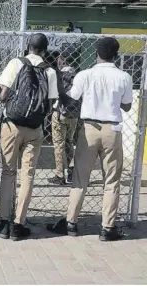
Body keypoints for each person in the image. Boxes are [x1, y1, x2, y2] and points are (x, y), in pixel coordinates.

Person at [47, 37, 133, 241]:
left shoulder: (85, 74)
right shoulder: (124, 77)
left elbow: (70, 100)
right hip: (112, 129)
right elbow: (127, 105)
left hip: (88, 129)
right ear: (116, 55)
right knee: (111, 181)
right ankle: (107, 228)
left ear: (97, 54)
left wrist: (60, 87)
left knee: (80, 178)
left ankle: (71, 222)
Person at [0, 33, 59, 241]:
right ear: (44, 50)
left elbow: (3, 94)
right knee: (28, 175)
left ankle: (4, 222)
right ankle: (18, 224)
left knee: (8, 172)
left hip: (12, 125)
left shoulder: (16, 62)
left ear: (28, 47)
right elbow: (50, 106)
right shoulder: (49, 71)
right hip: (34, 129)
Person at [47, 51, 80, 185]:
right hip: (74, 114)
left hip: (59, 113)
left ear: (62, 60)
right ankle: (71, 171)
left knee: (58, 144)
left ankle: (59, 175)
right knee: (69, 141)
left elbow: (53, 95)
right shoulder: (78, 76)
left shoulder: (58, 75)